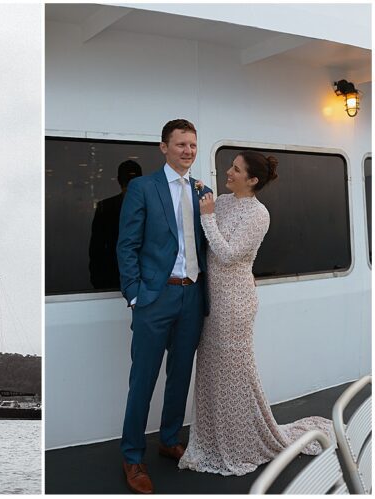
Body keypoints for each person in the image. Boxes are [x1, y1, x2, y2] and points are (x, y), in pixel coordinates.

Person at [178, 152, 333, 476]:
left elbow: (228, 254)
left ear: (252, 180)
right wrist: (199, 192)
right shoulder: (221, 201)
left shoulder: (259, 214)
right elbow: (206, 215)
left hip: (235, 303)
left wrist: (207, 217)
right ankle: (213, 439)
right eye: (231, 166)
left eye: (236, 169)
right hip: (212, 302)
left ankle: (242, 443)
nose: (228, 171)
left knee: (236, 374)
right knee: (211, 371)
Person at [116, 118, 211, 494]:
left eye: (192, 145)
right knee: (142, 380)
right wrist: (135, 294)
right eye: (181, 144)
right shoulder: (142, 188)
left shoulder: (201, 190)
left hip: (192, 295)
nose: (188, 151)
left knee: (181, 374)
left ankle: (170, 439)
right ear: (164, 148)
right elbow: (127, 246)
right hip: (155, 298)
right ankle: (132, 457)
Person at [89, 160, 143, 289]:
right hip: (113, 274)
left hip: (132, 274)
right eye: (128, 178)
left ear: (118, 180)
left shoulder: (106, 206)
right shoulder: (105, 207)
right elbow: (96, 248)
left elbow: (96, 248)